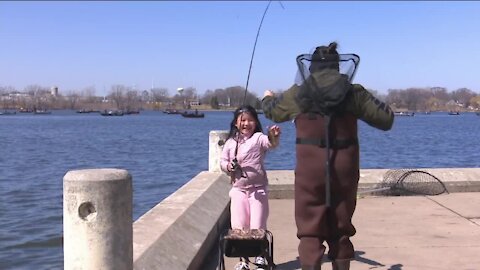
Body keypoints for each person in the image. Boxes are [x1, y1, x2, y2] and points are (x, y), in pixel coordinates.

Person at [261, 42, 394, 270]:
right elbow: (386, 119)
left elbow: (272, 110)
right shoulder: (354, 93)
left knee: (309, 229)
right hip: (345, 166)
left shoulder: (298, 93)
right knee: (341, 226)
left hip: (309, 169)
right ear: (338, 66)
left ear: (310, 67)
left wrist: (266, 98)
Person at [220, 105, 281, 270]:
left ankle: (261, 257)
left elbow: (270, 144)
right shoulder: (231, 142)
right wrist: (229, 167)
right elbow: (222, 162)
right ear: (235, 123)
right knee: (239, 227)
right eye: (243, 120)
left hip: (258, 190)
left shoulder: (259, 138)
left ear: (256, 122)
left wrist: (274, 136)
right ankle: (243, 261)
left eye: (250, 120)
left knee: (258, 225)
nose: (247, 123)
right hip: (238, 190)